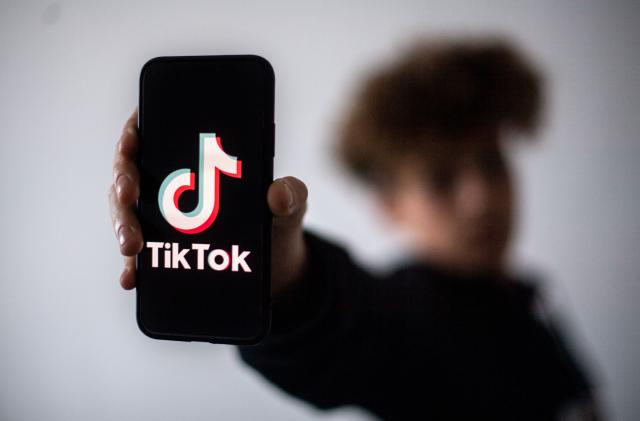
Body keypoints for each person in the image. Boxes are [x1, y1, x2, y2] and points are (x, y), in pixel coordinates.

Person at [109, 38, 600, 420]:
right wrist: (282, 283)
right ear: (390, 206)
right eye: (441, 179)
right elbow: (346, 332)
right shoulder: (408, 315)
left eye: (492, 164)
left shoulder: (529, 298)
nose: (480, 198)